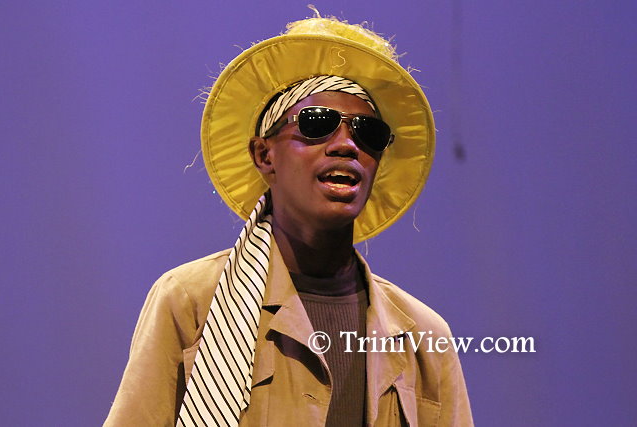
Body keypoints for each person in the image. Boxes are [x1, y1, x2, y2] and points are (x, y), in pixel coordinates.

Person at [105, 15, 473, 427]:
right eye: (317, 123)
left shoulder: (423, 335)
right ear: (264, 155)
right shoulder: (191, 301)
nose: (346, 145)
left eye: (368, 133)